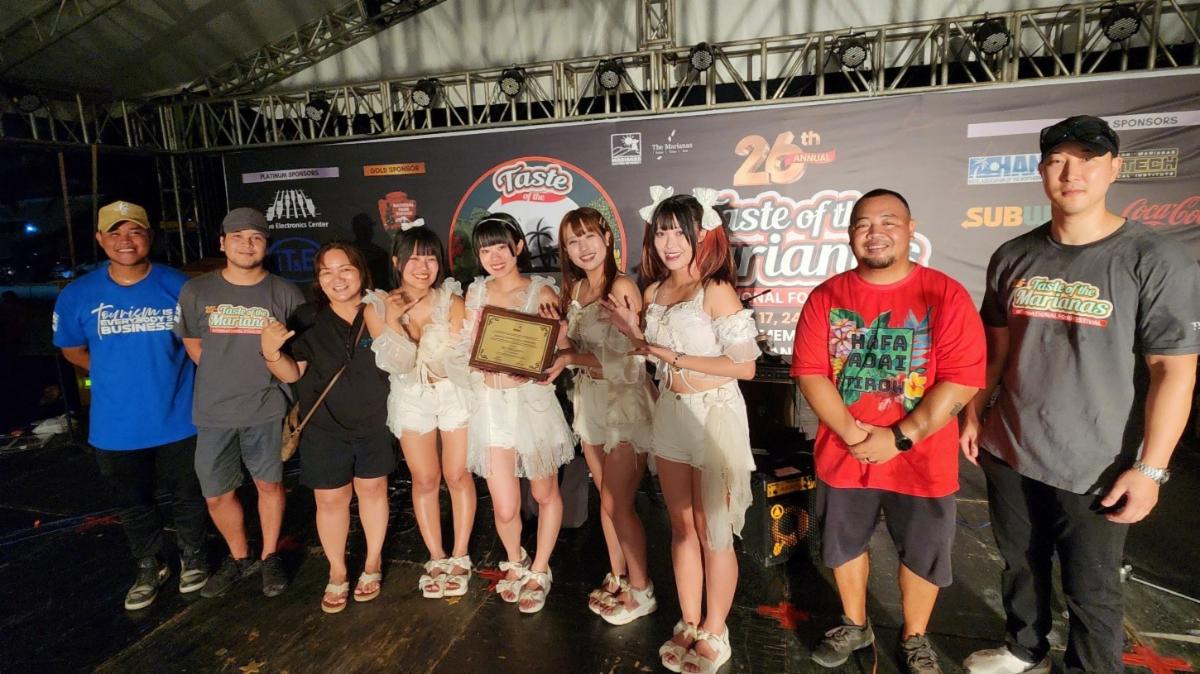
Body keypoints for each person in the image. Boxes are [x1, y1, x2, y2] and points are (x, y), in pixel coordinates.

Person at [961, 115, 1200, 674]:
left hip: (1094, 462)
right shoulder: (1013, 255)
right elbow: (995, 348)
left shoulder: (1156, 259)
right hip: (1010, 446)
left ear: (1114, 168)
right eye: (1058, 160)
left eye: (1088, 159)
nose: (1073, 172)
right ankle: (1024, 648)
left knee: (1092, 589)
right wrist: (974, 410)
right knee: (1020, 563)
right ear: (1043, 171)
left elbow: (1174, 371)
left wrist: (1152, 469)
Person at [792, 189, 986, 674]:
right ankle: (855, 623)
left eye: (887, 221)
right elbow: (811, 372)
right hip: (845, 453)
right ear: (850, 235)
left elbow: (962, 377)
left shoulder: (945, 293)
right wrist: (855, 436)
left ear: (911, 227)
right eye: (862, 223)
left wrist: (899, 437)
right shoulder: (826, 296)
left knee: (923, 553)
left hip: (923, 458)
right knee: (843, 546)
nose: (874, 232)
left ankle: (915, 636)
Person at [606, 188, 757, 674]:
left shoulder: (715, 289)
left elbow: (746, 366)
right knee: (681, 524)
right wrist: (635, 337)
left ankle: (717, 628)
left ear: (702, 235)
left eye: (680, 231)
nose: (670, 241)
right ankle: (690, 620)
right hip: (670, 414)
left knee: (715, 531)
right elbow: (649, 357)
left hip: (715, 417)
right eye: (662, 231)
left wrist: (667, 354)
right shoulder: (652, 293)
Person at [53, 200, 210, 610]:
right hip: (115, 425)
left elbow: (200, 346)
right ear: (100, 239)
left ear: (149, 237)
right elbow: (72, 350)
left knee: (189, 494)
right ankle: (149, 564)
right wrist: (114, 374)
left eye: (135, 231)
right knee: (133, 502)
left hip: (180, 417)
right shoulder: (78, 294)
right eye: (116, 232)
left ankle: (193, 556)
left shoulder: (179, 285)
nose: (126, 241)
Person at [176, 207, 305, 599]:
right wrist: (227, 373)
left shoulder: (284, 292)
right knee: (216, 493)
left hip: (265, 408)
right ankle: (239, 557)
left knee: (269, 485)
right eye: (238, 237)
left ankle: (269, 557)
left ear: (265, 245)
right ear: (222, 243)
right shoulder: (197, 291)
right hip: (213, 410)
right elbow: (195, 346)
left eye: (256, 238)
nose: (247, 245)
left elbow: (297, 358)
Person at [260, 242, 393, 613]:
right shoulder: (306, 316)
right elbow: (292, 372)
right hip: (324, 426)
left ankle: (372, 563)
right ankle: (337, 572)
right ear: (318, 279)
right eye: (326, 272)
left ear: (361, 271)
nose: (337, 279)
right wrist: (271, 352)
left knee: (373, 492)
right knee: (331, 500)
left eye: (345, 269)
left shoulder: (379, 309)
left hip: (375, 422)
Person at [540, 207, 655, 624]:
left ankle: (643, 590)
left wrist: (570, 353)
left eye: (589, 236)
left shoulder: (620, 285)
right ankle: (619, 573)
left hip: (624, 404)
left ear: (607, 238)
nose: (583, 247)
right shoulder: (576, 292)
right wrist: (559, 335)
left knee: (616, 501)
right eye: (573, 241)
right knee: (605, 498)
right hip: (589, 403)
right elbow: (573, 349)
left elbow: (629, 360)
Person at [463, 213, 575, 614]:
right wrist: (474, 362)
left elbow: (561, 341)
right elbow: (466, 346)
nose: (494, 256)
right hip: (490, 408)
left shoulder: (542, 289)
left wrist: (554, 332)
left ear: (519, 248)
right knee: (506, 505)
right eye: (485, 248)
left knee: (545, 493)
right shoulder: (475, 292)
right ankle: (515, 558)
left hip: (530, 405)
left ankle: (541, 568)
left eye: (501, 247)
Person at [366, 221, 477, 600]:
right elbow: (396, 364)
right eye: (414, 258)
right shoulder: (377, 305)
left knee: (458, 474)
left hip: (453, 394)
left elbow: (459, 360)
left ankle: (461, 555)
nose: (423, 266)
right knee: (426, 479)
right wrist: (396, 322)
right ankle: (437, 556)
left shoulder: (452, 300)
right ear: (397, 261)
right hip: (411, 396)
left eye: (430, 258)